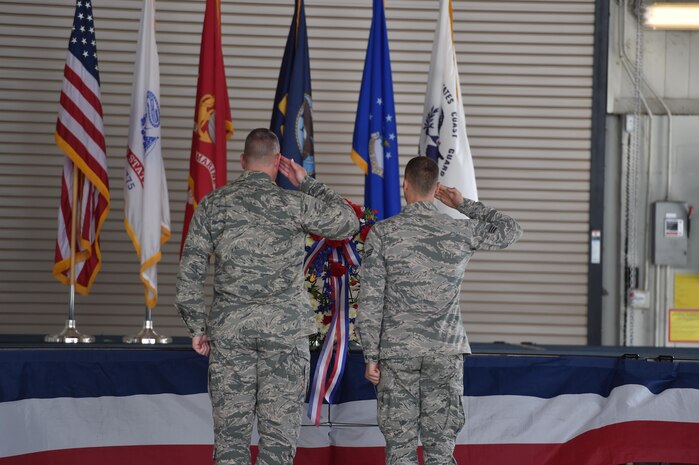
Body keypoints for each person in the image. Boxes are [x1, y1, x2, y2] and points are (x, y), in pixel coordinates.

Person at [176, 128, 359, 465]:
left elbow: (190, 269)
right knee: (277, 445)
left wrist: (197, 327)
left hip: (231, 334)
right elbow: (348, 221)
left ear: (243, 161)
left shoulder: (213, 205)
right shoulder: (294, 203)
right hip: (285, 336)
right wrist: (306, 181)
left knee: (231, 443)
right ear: (277, 162)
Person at [356, 156, 523, 465]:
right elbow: (511, 230)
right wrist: (463, 204)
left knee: (400, 450)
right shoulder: (459, 230)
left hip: (397, 353)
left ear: (405, 185)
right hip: (444, 352)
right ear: (436, 190)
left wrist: (371, 356)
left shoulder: (382, 234)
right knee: (440, 450)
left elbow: (370, 301)